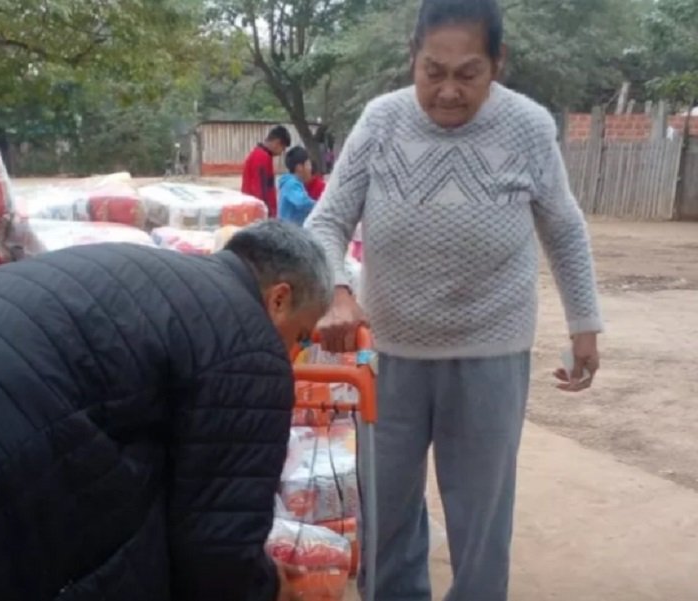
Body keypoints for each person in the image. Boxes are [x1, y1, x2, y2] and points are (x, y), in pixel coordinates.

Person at [0, 220, 333, 601]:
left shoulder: (152, 274)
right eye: (303, 336)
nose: (296, 352)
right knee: (120, 565)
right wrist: (266, 588)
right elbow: (216, 542)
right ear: (279, 299)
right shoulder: (246, 339)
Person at [304, 0, 603, 600]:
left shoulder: (527, 127)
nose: (447, 91)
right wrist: (338, 292)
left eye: (468, 74)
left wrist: (585, 323)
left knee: (481, 522)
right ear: (412, 58)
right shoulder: (381, 122)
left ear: (498, 62)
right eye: (432, 72)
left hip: (491, 354)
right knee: (385, 511)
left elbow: (564, 228)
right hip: (390, 354)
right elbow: (327, 221)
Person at [242, 126, 292, 217]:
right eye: (283, 148)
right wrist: (267, 214)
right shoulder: (262, 157)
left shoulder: (262, 155)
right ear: (277, 143)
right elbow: (260, 190)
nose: (282, 152)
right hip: (257, 214)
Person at [278, 147, 318, 225]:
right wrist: (321, 205)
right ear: (299, 167)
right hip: (288, 231)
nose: (311, 168)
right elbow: (302, 202)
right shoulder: (291, 184)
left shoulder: (295, 183)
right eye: (308, 164)